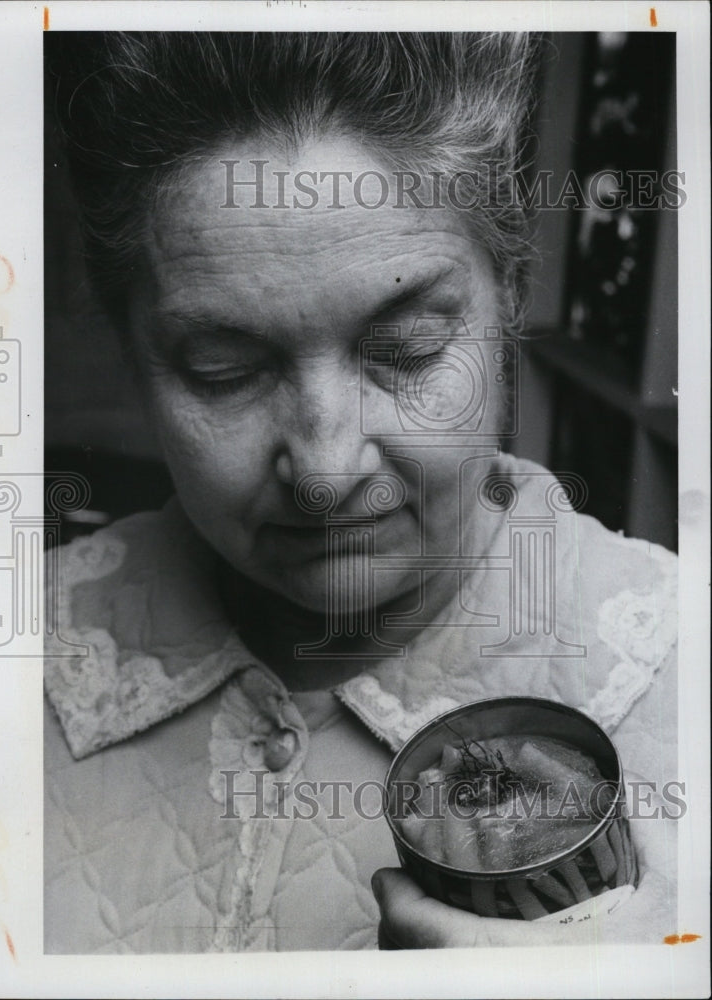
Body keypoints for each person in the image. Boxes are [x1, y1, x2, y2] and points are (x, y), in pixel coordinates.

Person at [43, 32, 678, 953]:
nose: (329, 471)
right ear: (135, 360)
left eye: (408, 349)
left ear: (507, 299)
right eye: (223, 371)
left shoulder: (672, 674)